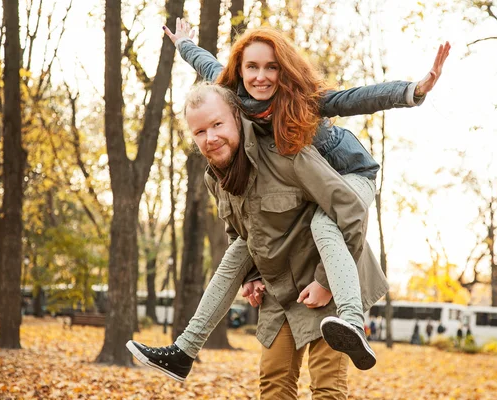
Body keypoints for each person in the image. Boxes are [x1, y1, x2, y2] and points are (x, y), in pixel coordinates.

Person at [157, 20, 450, 365]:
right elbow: (207, 64)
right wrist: (185, 44)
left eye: (272, 67)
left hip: (350, 173)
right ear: (240, 70)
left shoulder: (303, 99)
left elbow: (357, 99)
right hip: (312, 184)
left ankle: (353, 322)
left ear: (284, 70)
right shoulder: (233, 99)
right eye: (252, 67)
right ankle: (183, 352)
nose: (261, 77)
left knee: (325, 226)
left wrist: (414, 90)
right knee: (238, 249)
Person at [128, 84, 388, 398]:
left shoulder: (287, 153)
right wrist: (251, 277)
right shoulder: (217, 178)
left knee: (327, 387)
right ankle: (184, 351)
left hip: (327, 278)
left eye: (217, 124)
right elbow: (239, 232)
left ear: (237, 118)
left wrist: (326, 282)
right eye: (199, 132)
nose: (210, 138)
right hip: (280, 287)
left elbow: (349, 209)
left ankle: (351, 321)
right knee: (274, 383)